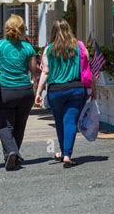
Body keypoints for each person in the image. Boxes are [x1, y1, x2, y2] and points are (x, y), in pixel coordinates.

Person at [35, 19, 90, 168]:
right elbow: (86, 69)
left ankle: (63, 151)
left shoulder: (48, 49)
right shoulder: (79, 46)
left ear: (53, 31)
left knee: (60, 122)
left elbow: (45, 72)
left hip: (56, 91)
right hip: (76, 88)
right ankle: (67, 154)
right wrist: (94, 89)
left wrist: (38, 92)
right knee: (70, 121)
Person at [0, 15, 38, 170]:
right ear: (22, 29)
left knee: (4, 125)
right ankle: (12, 155)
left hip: (4, 90)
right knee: (19, 125)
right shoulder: (28, 48)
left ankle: (12, 152)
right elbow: (34, 70)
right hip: (25, 91)